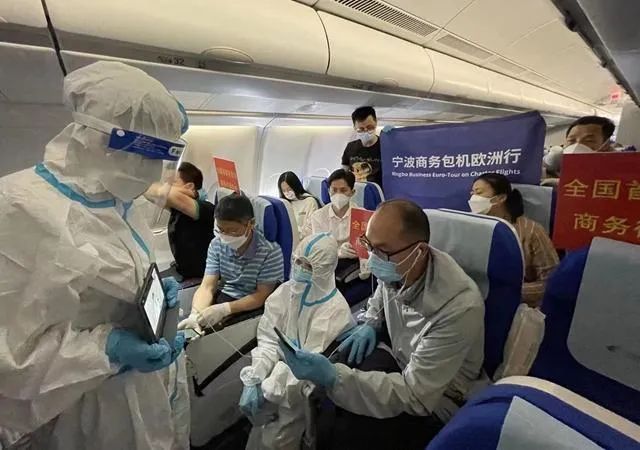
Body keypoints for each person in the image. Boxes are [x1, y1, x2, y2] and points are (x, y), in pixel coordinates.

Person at [0, 62, 189, 449]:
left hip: (140, 393)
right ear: (96, 137)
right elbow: (11, 358)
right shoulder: (19, 208)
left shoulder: (119, 200)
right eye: (145, 153)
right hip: (81, 410)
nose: (154, 170)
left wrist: (156, 295)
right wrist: (107, 349)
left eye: (164, 155)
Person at [279, 200, 485, 450]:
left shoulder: (459, 307)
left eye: (382, 251)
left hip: (438, 397)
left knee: (353, 428)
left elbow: (416, 395)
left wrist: (335, 379)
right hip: (401, 361)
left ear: (419, 251)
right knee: (336, 370)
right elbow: (380, 297)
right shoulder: (399, 265)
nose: (374, 258)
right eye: (369, 245)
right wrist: (371, 322)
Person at [239, 233, 354, 450]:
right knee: (257, 437)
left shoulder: (334, 310)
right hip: (274, 382)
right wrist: (255, 377)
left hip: (300, 393)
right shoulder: (285, 292)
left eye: (308, 266)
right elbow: (269, 340)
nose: (299, 269)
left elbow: (307, 366)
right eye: (298, 261)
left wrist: (269, 391)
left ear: (324, 270)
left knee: (276, 442)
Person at [178, 193, 284, 330]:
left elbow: (261, 295)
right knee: (195, 323)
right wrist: (195, 314)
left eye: (232, 231)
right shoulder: (217, 244)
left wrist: (225, 309)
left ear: (251, 224)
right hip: (225, 295)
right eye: (221, 230)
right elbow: (207, 286)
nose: (225, 236)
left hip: (251, 303)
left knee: (210, 332)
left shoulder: (270, 251)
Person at [469, 173, 559, 307]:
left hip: (518, 306)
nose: (473, 198)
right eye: (472, 193)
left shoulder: (531, 231)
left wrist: (509, 292)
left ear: (500, 198)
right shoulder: (470, 227)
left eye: (479, 193)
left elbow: (551, 282)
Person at [145, 162, 215, 280]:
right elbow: (149, 192)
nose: (166, 186)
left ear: (190, 186)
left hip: (200, 276)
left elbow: (162, 193)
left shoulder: (204, 208)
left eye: (172, 183)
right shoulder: (176, 207)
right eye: (166, 183)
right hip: (181, 270)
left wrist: (170, 192)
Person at [301, 169, 365, 281]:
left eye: (343, 190)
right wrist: (339, 252)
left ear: (352, 192)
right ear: (328, 191)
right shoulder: (318, 216)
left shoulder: (361, 215)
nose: (338, 194)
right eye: (334, 190)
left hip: (354, 263)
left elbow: (366, 247)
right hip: (326, 262)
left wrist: (363, 260)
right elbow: (319, 248)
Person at [341, 106, 382, 187]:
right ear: (354, 127)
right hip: (356, 190)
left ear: (376, 122)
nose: (366, 131)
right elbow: (344, 173)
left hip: (379, 192)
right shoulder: (350, 147)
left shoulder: (385, 146)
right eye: (361, 129)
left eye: (370, 127)